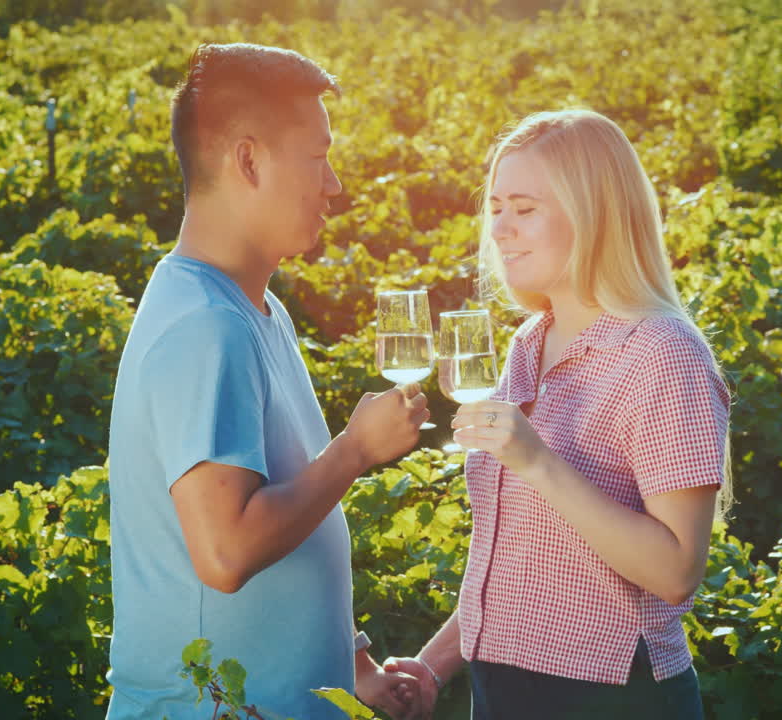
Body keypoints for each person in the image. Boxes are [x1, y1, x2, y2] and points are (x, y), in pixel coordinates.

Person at [106, 43, 429, 720]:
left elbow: (287, 496)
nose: (333, 184)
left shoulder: (253, 308)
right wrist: (355, 451)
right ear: (248, 161)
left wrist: (354, 663)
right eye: (317, 158)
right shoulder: (207, 327)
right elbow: (226, 553)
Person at [385, 109, 732, 719]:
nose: (500, 228)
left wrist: (538, 462)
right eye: (496, 207)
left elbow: (677, 570)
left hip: (611, 698)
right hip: (503, 693)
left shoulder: (663, 353)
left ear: (594, 214)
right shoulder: (529, 343)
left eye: (524, 208)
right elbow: (517, 555)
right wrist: (435, 666)